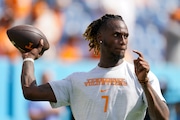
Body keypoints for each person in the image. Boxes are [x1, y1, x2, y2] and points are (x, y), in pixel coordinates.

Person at [20, 14, 169, 120]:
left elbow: (163, 118)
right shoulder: (77, 81)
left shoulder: (142, 76)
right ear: (100, 38)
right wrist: (28, 59)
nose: (123, 41)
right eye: (117, 35)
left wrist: (145, 83)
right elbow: (31, 91)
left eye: (126, 36)